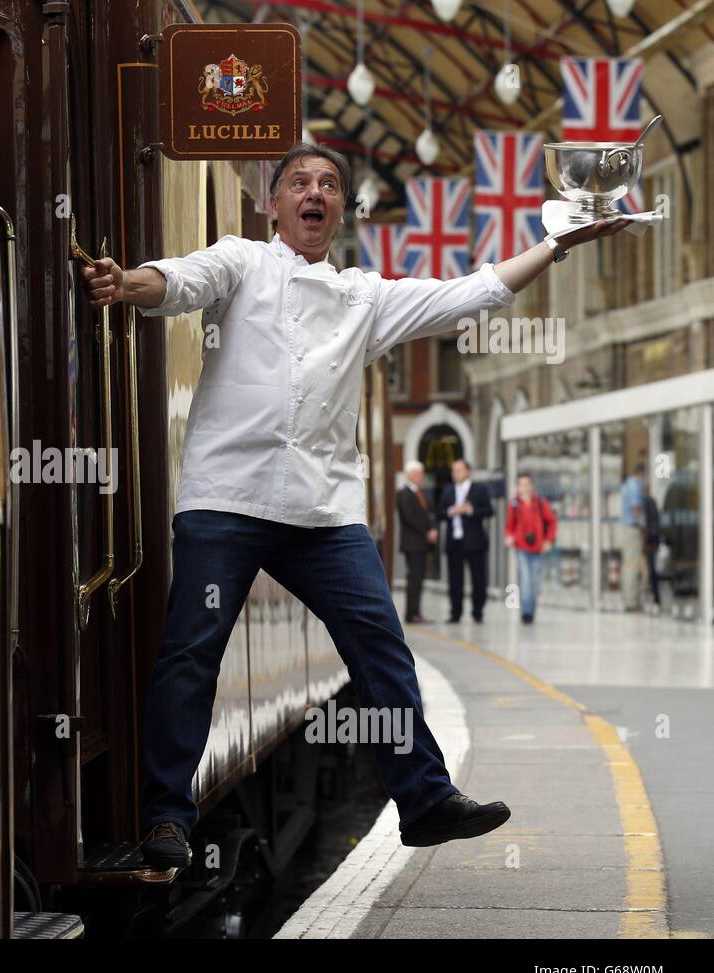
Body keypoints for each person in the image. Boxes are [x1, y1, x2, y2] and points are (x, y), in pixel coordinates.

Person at [79, 141, 628, 869]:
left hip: (322, 514)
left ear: (340, 209)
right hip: (227, 500)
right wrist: (129, 283)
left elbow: (476, 290)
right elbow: (177, 280)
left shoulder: (363, 298)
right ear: (274, 204)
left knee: (380, 644)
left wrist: (556, 245)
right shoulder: (240, 262)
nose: (315, 192)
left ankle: (425, 799)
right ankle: (168, 818)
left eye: (330, 184)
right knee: (191, 651)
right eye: (300, 182)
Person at [437, 458, 493, 624]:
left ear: (468, 471)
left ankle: (478, 611)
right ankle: (455, 612)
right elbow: (439, 513)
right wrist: (451, 511)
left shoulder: (479, 489)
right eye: (454, 470)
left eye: (459, 470)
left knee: (478, 578)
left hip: (475, 541)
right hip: (455, 542)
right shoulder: (447, 491)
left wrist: (470, 510)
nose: (455, 473)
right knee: (455, 580)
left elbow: (489, 511)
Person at [503, 473, 557, 624]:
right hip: (521, 547)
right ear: (517, 487)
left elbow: (552, 522)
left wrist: (549, 540)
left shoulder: (540, 503)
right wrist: (509, 536)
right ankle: (526, 612)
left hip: (538, 548)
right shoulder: (514, 504)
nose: (524, 488)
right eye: (521, 485)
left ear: (531, 487)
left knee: (534, 582)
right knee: (525, 579)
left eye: (527, 485)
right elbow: (509, 526)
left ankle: (531, 609)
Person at [397, 460, 437, 624]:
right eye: (420, 473)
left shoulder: (418, 493)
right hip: (413, 543)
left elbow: (426, 515)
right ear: (412, 475)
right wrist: (427, 532)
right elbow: (410, 518)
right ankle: (411, 613)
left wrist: (431, 530)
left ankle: (416, 612)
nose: (422, 477)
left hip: (421, 543)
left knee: (419, 579)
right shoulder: (404, 494)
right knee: (414, 579)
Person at [618, 461, 647, 612]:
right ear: (642, 474)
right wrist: (643, 528)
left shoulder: (626, 485)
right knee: (632, 566)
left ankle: (628, 599)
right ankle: (631, 602)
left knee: (627, 564)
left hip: (625, 528)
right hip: (632, 529)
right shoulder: (635, 486)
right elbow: (636, 510)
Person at [643, 487, 662, 609]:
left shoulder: (647, 502)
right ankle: (655, 597)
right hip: (652, 540)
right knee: (651, 569)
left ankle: (655, 597)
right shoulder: (650, 501)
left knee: (650, 569)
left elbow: (652, 523)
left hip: (649, 540)